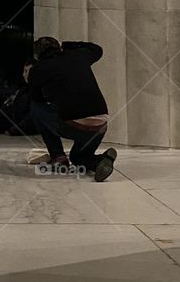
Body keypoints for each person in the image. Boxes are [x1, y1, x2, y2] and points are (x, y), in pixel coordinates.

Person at [28, 36, 116, 181]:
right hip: (100, 124)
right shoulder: (79, 55)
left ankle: (58, 156)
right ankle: (99, 161)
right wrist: (67, 44)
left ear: (37, 55)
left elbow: (37, 99)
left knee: (36, 108)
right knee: (78, 157)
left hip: (73, 125)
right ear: (59, 47)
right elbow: (97, 49)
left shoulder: (38, 69)